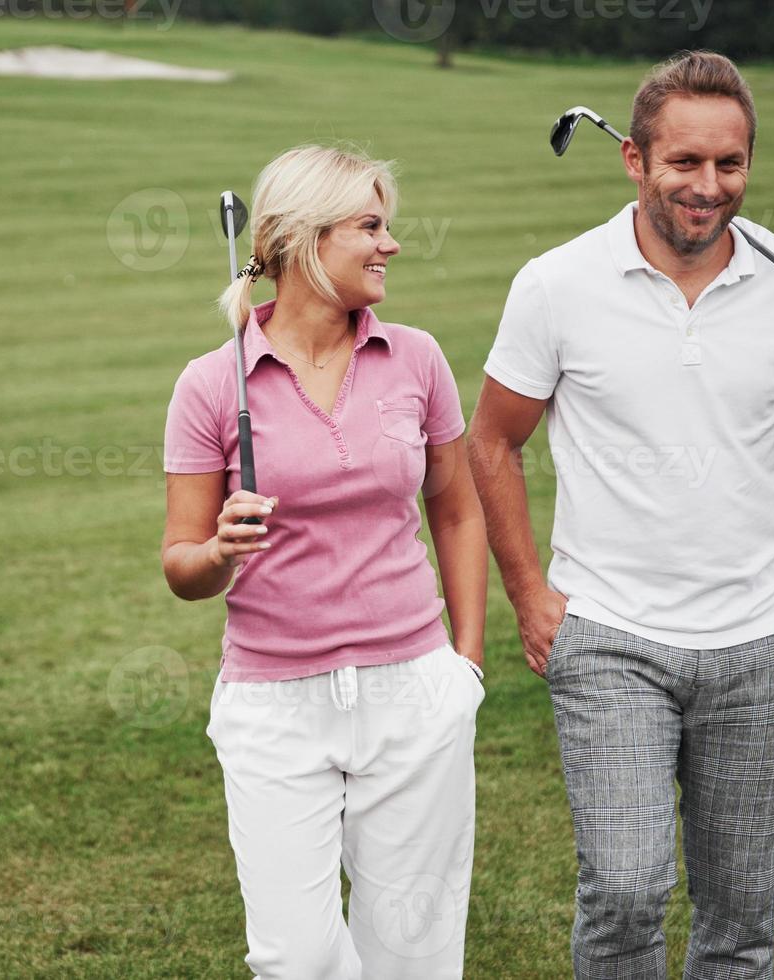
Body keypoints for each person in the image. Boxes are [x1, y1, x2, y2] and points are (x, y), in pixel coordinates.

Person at [466, 51, 774, 979]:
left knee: (737, 923)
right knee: (624, 888)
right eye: (683, 163)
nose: (708, 186)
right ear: (633, 161)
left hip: (761, 638)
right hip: (608, 632)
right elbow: (489, 441)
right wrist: (530, 595)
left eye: (729, 164)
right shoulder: (556, 284)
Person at [161, 143, 489, 978]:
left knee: (412, 952)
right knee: (294, 958)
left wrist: (466, 665)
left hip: (412, 687)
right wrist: (220, 550)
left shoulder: (415, 357)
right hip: (273, 702)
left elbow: (455, 510)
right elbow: (180, 564)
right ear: (304, 239)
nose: (391, 245)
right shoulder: (210, 384)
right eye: (370, 226)